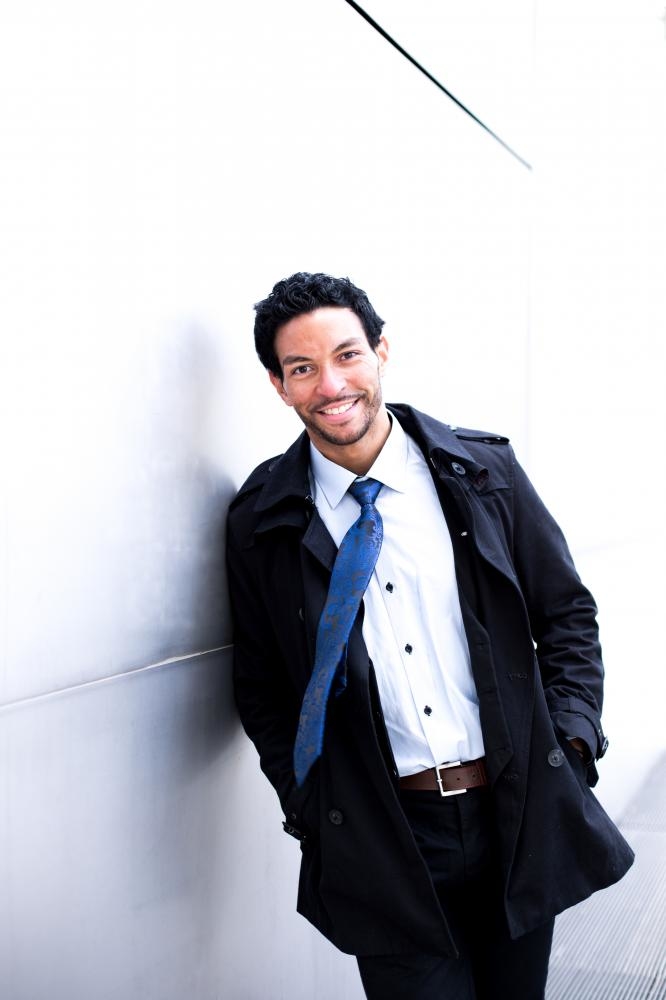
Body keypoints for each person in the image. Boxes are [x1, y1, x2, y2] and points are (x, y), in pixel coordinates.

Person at [226, 272, 634, 999]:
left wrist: (572, 742)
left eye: (347, 355)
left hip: (513, 812)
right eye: (302, 367)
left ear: (381, 350)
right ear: (279, 385)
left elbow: (566, 614)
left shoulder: (482, 473)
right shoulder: (262, 517)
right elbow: (261, 684)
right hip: (384, 835)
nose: (331, 385)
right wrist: (308, 799)